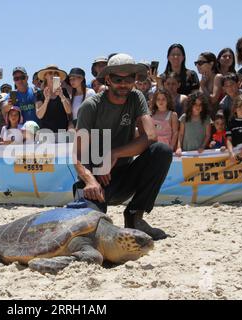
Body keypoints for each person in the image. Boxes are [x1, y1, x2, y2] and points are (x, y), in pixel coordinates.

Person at [74, 53, 172, 240]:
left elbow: (151, 136)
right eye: (118, 79)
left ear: (135, 79)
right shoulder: (90, 106)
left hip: (124, 173)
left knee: (162, 151)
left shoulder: (136, 98)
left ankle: (135, 216)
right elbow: (77, 155)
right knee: (89, 232)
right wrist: (90, 180)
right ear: (108, 79)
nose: (124, 84)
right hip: (95, 178)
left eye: (130, 78)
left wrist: (114, 153)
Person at [35, 65, 72, 135]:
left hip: (62, 132)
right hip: (46, 134)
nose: (53, 74)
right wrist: (46, 100)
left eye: (55, 73)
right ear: (45, 76)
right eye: (50, 73)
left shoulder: (63, 92)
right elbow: (39, 115)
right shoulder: (40, 93)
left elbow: (69, 111)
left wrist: (62, 96)